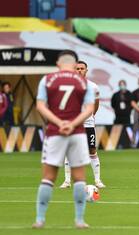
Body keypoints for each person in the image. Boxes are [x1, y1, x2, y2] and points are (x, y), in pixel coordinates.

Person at [32, 50, 95, 229]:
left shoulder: (48, 79)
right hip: (77, 133)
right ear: (75, 64)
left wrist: (60, 123)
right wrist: (72, 124)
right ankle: (80, 220)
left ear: (59, 63)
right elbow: (89, 109)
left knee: (48, 177)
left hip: (54, 132)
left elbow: (40, 106)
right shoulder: (85, 83)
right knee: (79, 177)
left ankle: (40, 219)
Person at [60, 60, 106, 189]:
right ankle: (67, 181)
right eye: (77, 69)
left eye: (82, 68)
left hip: (88, 124)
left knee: (92, 150)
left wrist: (90, 115)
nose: (80, 71)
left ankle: (97, 180)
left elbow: (96, 104)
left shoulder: (93, 86)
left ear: (86, 70)